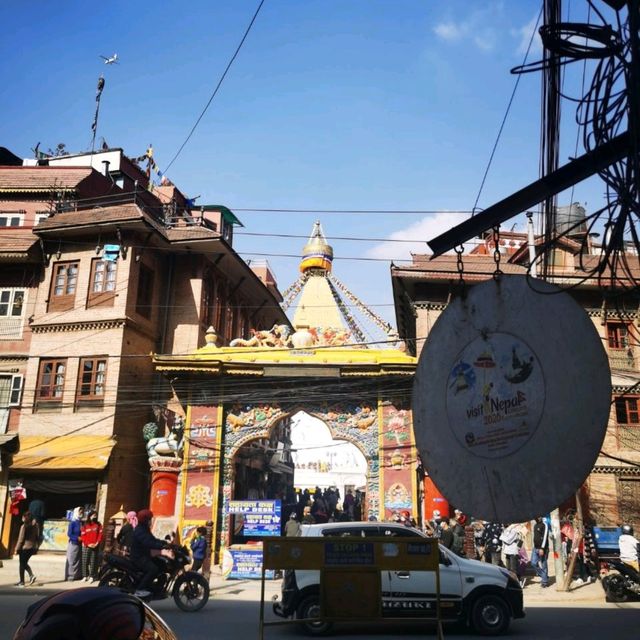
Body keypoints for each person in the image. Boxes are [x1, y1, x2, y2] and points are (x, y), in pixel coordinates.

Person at [130, 509, 168, 598]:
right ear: (145, 520)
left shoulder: (144, 529)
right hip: (139, 557)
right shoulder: (140, 530)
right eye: (150, 519)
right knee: (153, 569)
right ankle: (140, 590)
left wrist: (164, 543)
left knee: (161, 564)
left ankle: (154, 588)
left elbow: (153, 540)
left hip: (145, 555)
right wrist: (161, 546)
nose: (151, 521)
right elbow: (149, 543)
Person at [15, 511, 40, 587]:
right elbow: (37, 536)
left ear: (25, 518)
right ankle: (31, 576)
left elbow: (21, 539)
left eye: (23, 517)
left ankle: (22, 582)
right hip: (32, 547)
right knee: (24, 563)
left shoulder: (24, 526)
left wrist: (16, 548)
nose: (22, 518)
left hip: (24, 548)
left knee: (22, 565)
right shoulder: (36, 525)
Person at [80, 511, 103, 583]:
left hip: (95, 546)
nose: (94, 516)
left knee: (93, 562)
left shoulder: (98, 525)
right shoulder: (85, 525)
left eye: (95, 515)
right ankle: (85, 576)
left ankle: (92, 576)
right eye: (93, 515)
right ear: (89, 516)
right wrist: (88, 544)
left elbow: (100, 535)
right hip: (87, 546)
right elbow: (83, 536)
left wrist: (97, 543)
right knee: (85, 561)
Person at [66, 507, 84, 581]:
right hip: (73, 543)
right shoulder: (72, 522)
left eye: (82, 512)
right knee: (72, 560)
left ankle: (77, 575)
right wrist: (77, 538)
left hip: (80, 544)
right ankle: (71, 575)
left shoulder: (81, 522)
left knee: (78, 560)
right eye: (80, 512)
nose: (81, 514)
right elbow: (69, 534)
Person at [531, 516, 550, 588]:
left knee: (543, 564)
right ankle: (544, 576)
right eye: (537, 516)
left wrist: (542, 548)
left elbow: (545, 537)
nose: (538, 518)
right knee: (533, 563)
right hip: (535, 548)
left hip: (542, 548)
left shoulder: (544, 525)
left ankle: (544, 582)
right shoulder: (535, 525)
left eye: (540, 516)